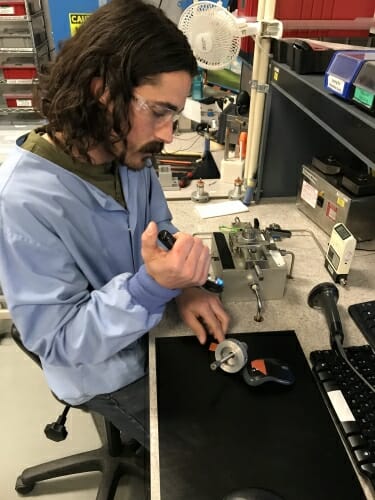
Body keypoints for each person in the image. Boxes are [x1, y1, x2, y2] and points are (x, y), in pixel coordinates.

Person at [0, 0, 229, 450]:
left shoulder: (127, 149)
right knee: (204, 455)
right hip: (100, 369)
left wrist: (185, 284)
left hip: (147, 331)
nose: (167, 133)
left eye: (174, 116)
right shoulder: (22, 201)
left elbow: (158, 226)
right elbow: (60, 341)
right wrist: (150, 289)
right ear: (103, 91)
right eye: (159, 111)